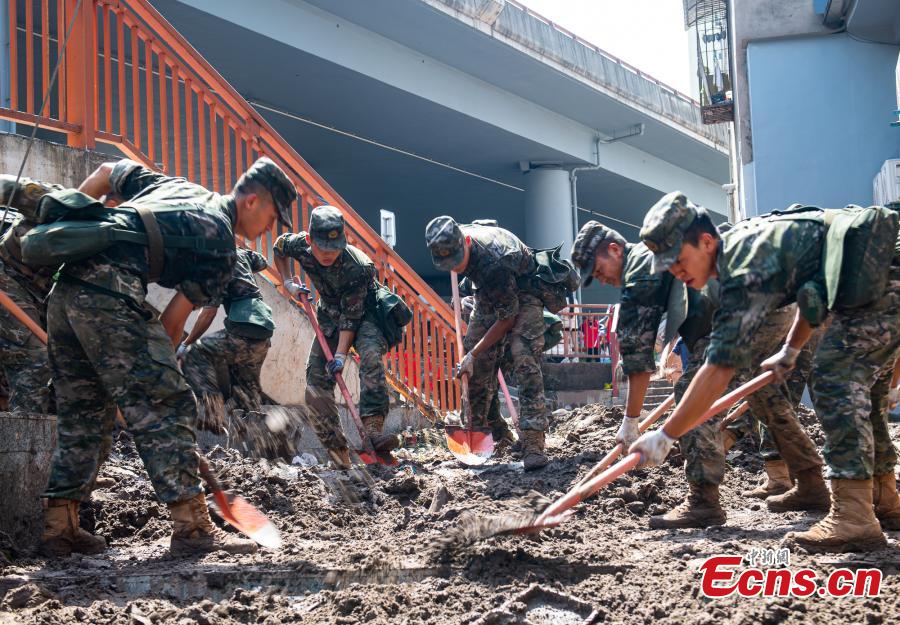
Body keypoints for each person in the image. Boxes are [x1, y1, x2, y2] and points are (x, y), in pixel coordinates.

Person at [35, 155, 295, 557]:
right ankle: (192, 527)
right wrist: (164, 368)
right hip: (111, 297)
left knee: (84, 410)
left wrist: (75, 223)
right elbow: (174, 321)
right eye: (274, 216)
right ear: (253, 202)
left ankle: (59, 527)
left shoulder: (176, 186)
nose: (269, 228)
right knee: (169, 404)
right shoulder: (223, 246)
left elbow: (106, 172)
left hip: (64, 291)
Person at [631, 191, 900, 552]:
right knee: (866, 388)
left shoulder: (742, 267)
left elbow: (717, 370)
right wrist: (790, 349)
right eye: (668, 267)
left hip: (883, 266)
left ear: (707, 241)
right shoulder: (748, 248)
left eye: (679, 260)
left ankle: (854, 516)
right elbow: (812, 291)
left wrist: (665, 435)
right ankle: (884, 499)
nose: (676, 273)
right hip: (878, 263)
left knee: (835, 379)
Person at [571, 218, 826, 528]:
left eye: (599, 270)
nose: (601, 279)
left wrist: (631, 421)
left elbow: (638, 358)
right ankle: (811, 481)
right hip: (776, 307)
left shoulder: (638, 270)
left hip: (742, 313)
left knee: (693, 394)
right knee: (766, 398)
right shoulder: (652, 259)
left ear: (614, 250)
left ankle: (703, 500)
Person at [425, 216, 569, 470]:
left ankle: (533, 441)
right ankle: (483, 432)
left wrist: (474, 352)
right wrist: (474, 354)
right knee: (476, 361)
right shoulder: (454, 239)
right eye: (449, 263)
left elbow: (508, 318)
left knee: (523, 356)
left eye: (458, 260)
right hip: (489, 293)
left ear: (466, 242)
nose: (456, 267)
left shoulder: (495, 261)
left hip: (524, 292)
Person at [273, 206, 395, 468]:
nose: (329, 253)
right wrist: (287, 283)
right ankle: (338, 453)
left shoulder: (358, 267)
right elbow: (279, 247)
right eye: (322, 248)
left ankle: (373, 430)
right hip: (330, 314)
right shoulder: (299, 245)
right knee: (315, 386)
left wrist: (340, 355)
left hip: (367, 315)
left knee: (370, 354)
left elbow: (351, 319)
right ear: (309, 241)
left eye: (334, 247)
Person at [171, 248, 275, 443]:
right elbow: (262, 261)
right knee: (246, 391)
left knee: (196, 354)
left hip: (242, 326)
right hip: (263, 330)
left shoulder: (217, 267)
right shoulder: (241, 253)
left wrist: (186, 344)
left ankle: (213, 414)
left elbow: (208, 314)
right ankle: (257, 446)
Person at [0, 177, 64, 414]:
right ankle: (24, 443)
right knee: (34, 360)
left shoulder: (111, 232)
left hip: (41, 292)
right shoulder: (50, 201)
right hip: (6, 276)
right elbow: (5, 185)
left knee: (70, 366)